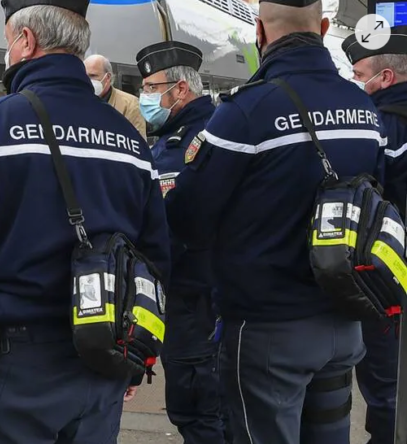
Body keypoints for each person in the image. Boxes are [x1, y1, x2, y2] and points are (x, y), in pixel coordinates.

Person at [0, 1, 171, 442]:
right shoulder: (130, 142)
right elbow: (157, 262)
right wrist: (138, 357)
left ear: (25, 41)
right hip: (102, 361)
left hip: (13, 372)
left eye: (7, 38)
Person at [163, 0, 386, 441]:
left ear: (260, 34)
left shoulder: (247, 110)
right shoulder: (363, 109)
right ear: (323, 28)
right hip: (345, 320)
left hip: (269, 330)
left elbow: (188, 218)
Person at [134, 41, 230, 444]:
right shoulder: (169, 137)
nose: (146, 96)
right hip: (181, 295)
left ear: (180, 89)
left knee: (199, 408)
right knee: (191, 407)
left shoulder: (206, 137)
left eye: (152, 87)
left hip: (199, 297)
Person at [340, 31, 407, 444]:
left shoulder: (385, 126)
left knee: (385, 377)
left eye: (357, 73)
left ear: (384, 77)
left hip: (389, 270)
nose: (353, 80)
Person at [84, 54, 146, 139]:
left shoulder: (130, 104)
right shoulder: (79, 101)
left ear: (108, 77)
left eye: (93, 76)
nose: (88, 81)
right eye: (85, 77)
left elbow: (139, 144)